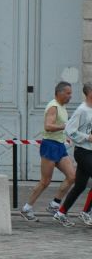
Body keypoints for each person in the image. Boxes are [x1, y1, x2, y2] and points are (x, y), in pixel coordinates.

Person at [19, 81, 76, 221]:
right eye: (68, 93)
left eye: (71, 93)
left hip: (59, 146)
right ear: (60, 93)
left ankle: (54, 204)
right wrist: (64, 126)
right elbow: (48, 127)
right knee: (45, 181)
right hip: (49, 145)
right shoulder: (53, 107)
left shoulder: (62, 107)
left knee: (72, 176)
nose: (70, 96)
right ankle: (27, 208)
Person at [52, 83, 92, 226]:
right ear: (89, 93)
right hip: (82, 152)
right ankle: (86, 212)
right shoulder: (81, 110)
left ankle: (61, 212)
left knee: (80, 186)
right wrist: (87, 137)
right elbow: (69, 130)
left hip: (90, 151)